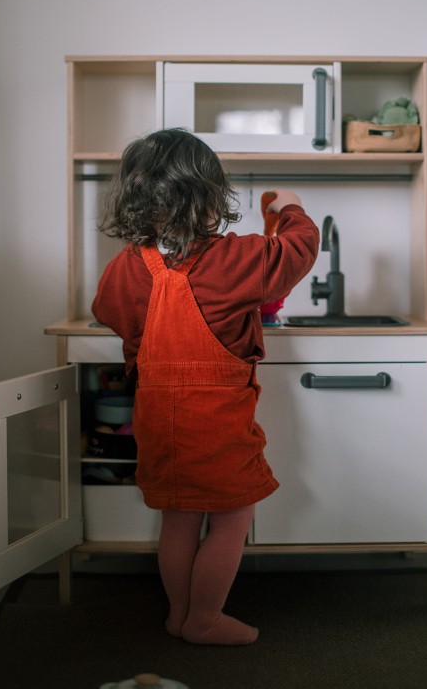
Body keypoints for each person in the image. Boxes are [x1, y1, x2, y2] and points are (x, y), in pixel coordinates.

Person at [92, 128, 319, 645]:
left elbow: (110, 311)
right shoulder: (236, 259)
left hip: (155, 413)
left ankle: (178, 614)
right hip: (215, 420)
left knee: (178, 517)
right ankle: (204, 619)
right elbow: (299, 250)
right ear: (210, 196)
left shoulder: (127, 265)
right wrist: (292, 207)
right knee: (233, 516)